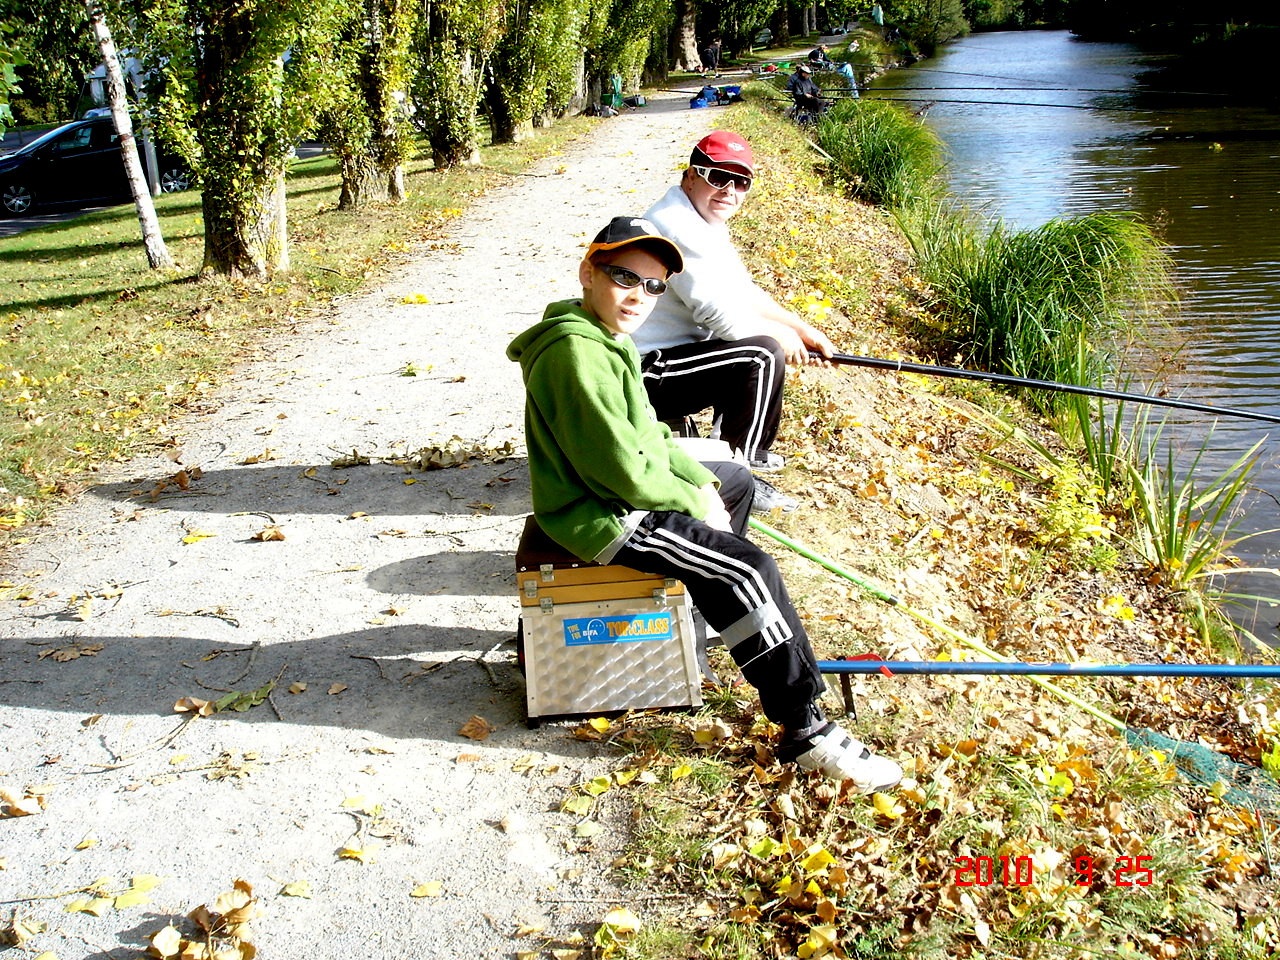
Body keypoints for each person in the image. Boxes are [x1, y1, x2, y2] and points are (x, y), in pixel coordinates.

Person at [506, 215, 903, 792]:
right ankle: (805, 729)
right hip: (602, 515)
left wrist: (706, 486)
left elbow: (654, 436)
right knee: (748, 569)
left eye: (654, 286)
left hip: (624, 494)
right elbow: (619, 470)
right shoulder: (575, 353)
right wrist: (694, 501)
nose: (640, 295)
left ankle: (717, 605)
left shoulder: (607, 339)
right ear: (588, 271)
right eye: (624, 276)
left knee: (736, 481)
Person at [636, 131, 837, 513]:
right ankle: (740, 472)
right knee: (761, 356)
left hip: (674, 356)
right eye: (717, 177)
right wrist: (780, 339)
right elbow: (718, 316)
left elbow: (742, 292)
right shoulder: (677, 226)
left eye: (740, 181)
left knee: (761, 348)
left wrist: (801, 329)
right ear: (691, 176)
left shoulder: (702, 217)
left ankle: (734, 453)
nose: (729, 190)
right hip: (643, 373)